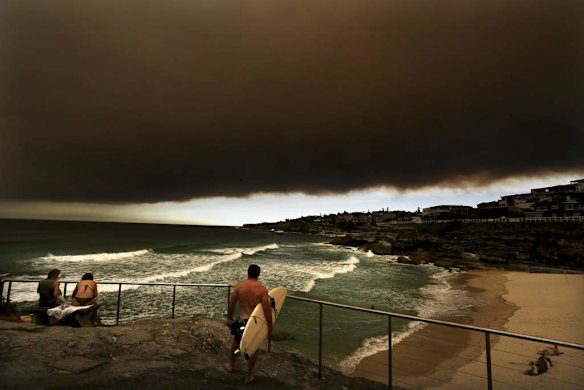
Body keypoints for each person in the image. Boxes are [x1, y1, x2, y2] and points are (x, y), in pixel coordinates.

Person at [224, 264, 273, 384]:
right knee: (253, 349)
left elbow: (232, 303)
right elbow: (267, 310)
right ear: (258, 274)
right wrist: (270, 326)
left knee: (236, 342)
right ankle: (248, 375)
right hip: (253, 323)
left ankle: (231, 365)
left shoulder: (239, 286)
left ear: (248, 272)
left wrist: (229, 318)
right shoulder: (262, 290)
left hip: (241, 320)